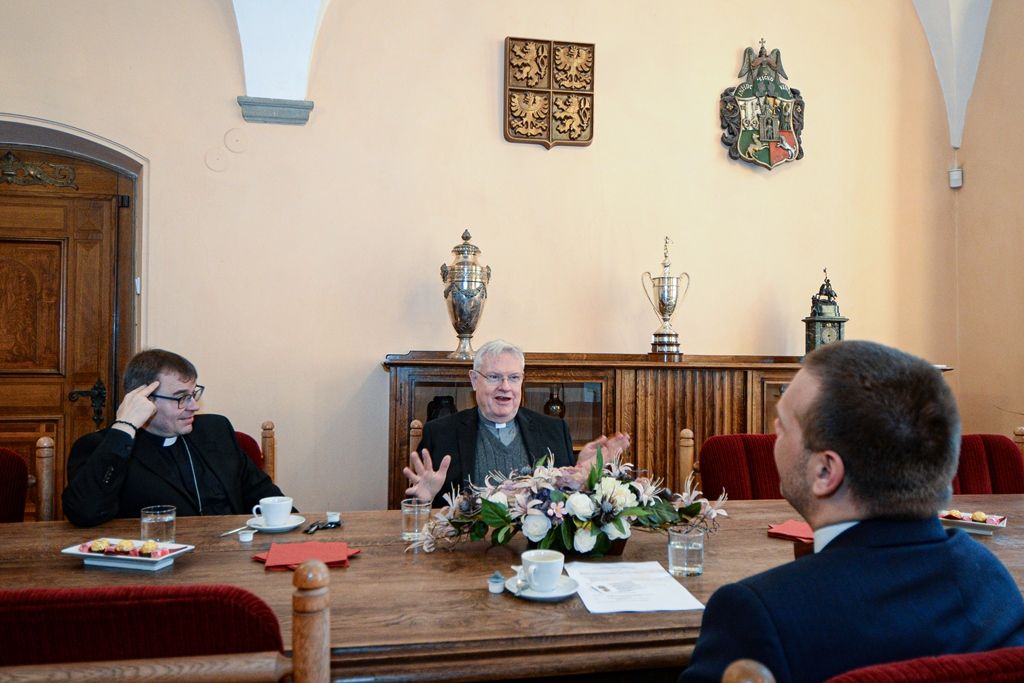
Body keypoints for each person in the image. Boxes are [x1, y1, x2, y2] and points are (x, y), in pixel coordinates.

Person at [679, 340, 1024, 683]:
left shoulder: (755, 616)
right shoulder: (991, 582)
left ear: (824, 472)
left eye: (783, 424)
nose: (773, 430)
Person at [62, 349, 286, 527]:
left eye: (193, 394)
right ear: (144, 399)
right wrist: (124, 427)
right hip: (158, 563)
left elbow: (263, 494)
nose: (193, 406)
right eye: (181, 398)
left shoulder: (216, 430)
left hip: (230, 556)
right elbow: (84, 513)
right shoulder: (100, 447)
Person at [404, 339, 630, 508]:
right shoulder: (440, 433)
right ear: (474, 380)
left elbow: (566, 507)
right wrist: (424, 500)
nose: (505, 386)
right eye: (494, 377)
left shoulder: (553, 430)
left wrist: (581, 473)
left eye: (514, 378)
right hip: (466, 548)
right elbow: (417, 511)